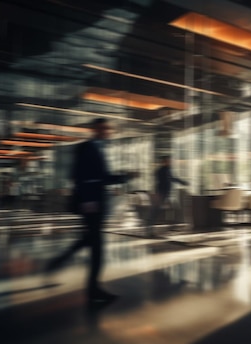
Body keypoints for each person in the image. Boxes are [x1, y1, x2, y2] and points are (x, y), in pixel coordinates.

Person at [45, 118, 137, 303]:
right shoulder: (86, 148)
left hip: (95, 203)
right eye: (104, 128)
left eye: (108, 129)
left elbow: (101, 178)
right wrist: (88, 200)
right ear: (95, 130)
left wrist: (124, 177)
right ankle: (93, 289)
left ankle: (58, 262)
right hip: (91, 204)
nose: (107, 132)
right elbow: (80, 176)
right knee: (97, 248)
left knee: (89, 240)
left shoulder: (99, 149)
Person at [146, 155, 188, 237]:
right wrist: (182, 182)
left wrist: (182, 182)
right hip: (161, 193)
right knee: (155, 211)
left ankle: (170, 227)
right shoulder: (162, 170)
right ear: (164, 161)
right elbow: (170, 179)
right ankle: (149, 230)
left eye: (170, 160)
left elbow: (171, 178)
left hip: (165, 193)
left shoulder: (165, 170)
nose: (170, 162)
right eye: (168, 160)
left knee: (172, 209)